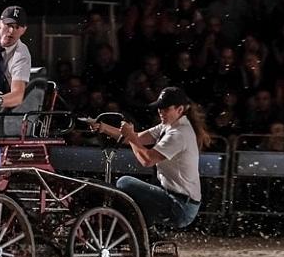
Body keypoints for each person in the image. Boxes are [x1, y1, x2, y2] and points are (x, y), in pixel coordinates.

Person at [90, 87, 212, 233]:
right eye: (159, 108)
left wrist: (132, 137)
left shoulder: (178, 134)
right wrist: (103, 128)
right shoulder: (169, 125)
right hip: (176, 199)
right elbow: (136, 137)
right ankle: (142, 230)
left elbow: (147, 160)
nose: (161, 112)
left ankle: (141, 231)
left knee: (125, 182)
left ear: (179, 109)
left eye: (165, 109)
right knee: (130, 188)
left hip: (180, 207)